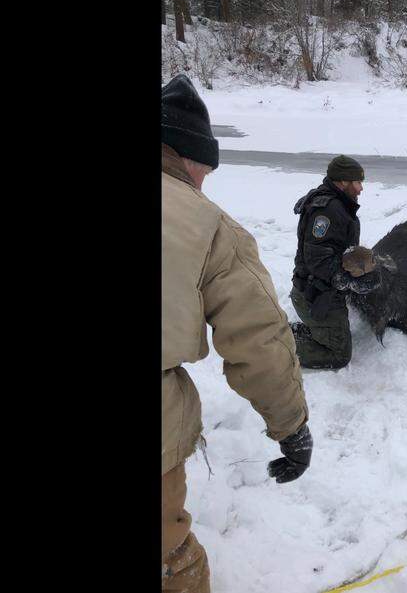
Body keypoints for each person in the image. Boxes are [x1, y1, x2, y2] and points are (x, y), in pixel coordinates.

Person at [161, 74, 313, 593]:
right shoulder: (206, 224)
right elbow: (258, 337)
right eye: (203, 171)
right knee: (169, 558)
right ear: (187, 158)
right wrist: (291, 427)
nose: (203, 184)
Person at [289, 155, 381, 369]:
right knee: (338, 354)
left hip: (324, 290)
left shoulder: (339, 204)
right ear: (342, 182)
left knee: (335, 339)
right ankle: (273, 344)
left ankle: (289, 332)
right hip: (314, 294)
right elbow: (317, 258)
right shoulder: (327, 210)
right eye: (357, 182)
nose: (361, 188)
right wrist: (345, 280)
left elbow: (336, 250)